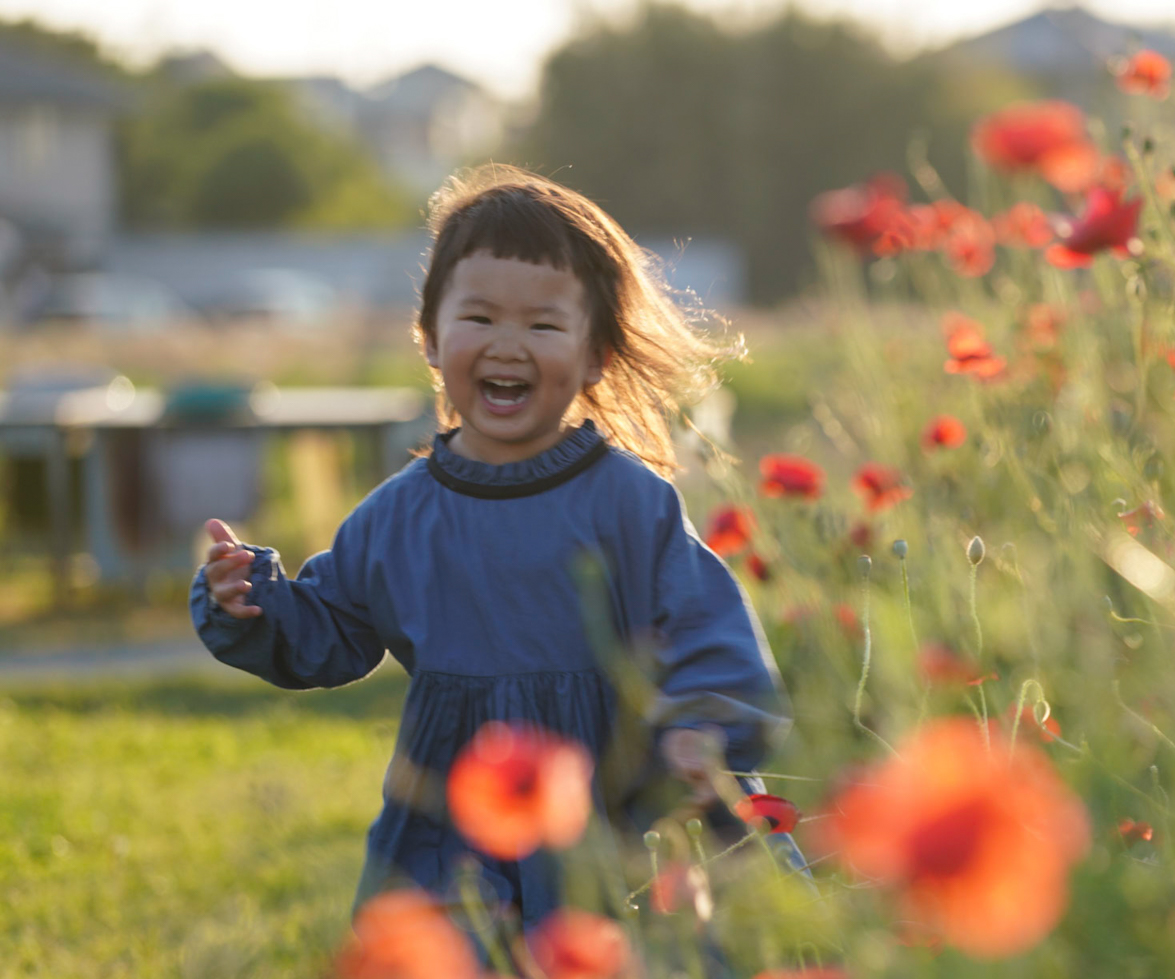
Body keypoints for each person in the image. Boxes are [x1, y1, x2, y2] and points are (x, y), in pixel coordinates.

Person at [192, 165, 787, 926]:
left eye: (543, 326)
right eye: (480, 318)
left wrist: (702, 731)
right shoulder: (397, 516)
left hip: (608, 812)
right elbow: (330, 632)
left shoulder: (628, 502)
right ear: (431, 338)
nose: (509, 344)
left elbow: (705, 625)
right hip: (452, 822)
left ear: (596, 355)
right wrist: (251, 604)